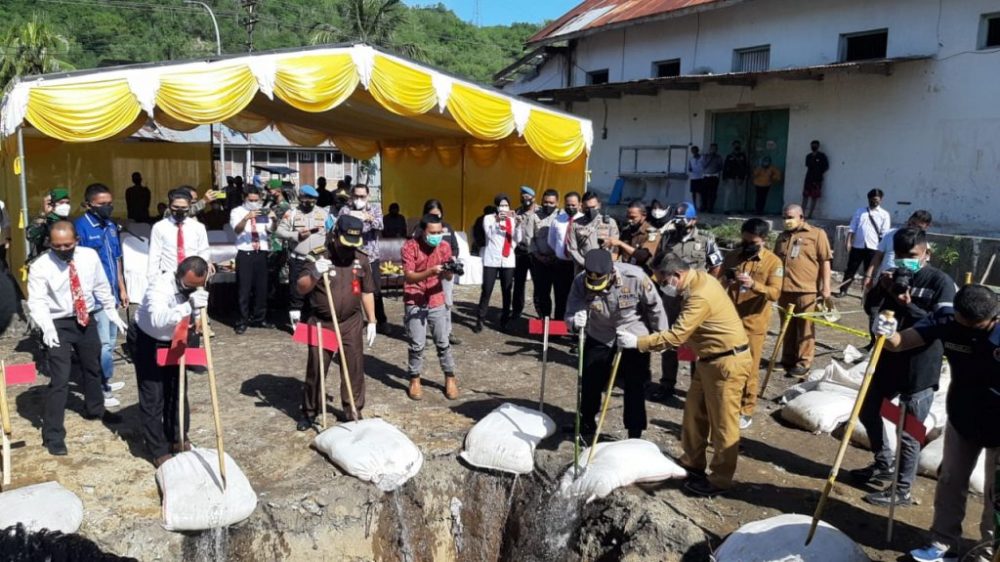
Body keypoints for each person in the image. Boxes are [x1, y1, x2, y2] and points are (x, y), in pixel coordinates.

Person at [875, 284, 999, 562]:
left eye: (980, 326)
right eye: (966, 324)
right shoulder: (946, 319)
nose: (972, 330)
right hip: (963, 415)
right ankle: (943, 544)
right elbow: (902, 342)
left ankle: (989, 550)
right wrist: (887, 331)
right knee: (950, 480)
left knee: (997, 493)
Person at [618, 255, 751, 496]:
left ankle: (720, 479)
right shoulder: (698, 280)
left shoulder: (699, 296)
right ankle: (692, 461)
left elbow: (677, 337)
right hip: (708, 361)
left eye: (662, 280)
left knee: (723, 424)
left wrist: (639, 342)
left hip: (726, 363)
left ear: (676, 275)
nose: (661, 286)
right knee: (694, 413)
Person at [851, 227, 957, 507]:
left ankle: (902, 489)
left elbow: (944, 323)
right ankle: (883, 462)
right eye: (898, 255)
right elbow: (870, 307)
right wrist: (880, 290)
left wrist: (907, 306)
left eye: (911, 255)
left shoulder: (940, 282)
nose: (903, 261)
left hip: (919, 365)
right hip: (885, 360)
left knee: (909, 430)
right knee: (868, 409)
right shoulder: (892, 277)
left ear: (926, 253)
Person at [27, 221, 127, 456]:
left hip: (85, 318)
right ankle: (53, 434)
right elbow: (37, 301)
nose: (62, 249)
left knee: (92, 367)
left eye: (67, 245)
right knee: (60, 379)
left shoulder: (89, 256)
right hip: (57, 323)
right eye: (57, 246)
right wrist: (47, 327)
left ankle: (95, 409)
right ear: (50, 244)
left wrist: (112, 313)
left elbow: (102, 287)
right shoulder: (41, 266)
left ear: (77, 241)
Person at [566, 250, 667, 439]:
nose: (598, 288)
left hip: (632, 335)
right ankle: (586, 421)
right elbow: (572, 308)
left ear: (611, 272)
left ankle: (634, 433)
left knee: (634, 386)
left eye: (601, 282)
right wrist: (574, 320)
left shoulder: (635, 277)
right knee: (590, 382)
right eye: (593, 284)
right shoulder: (581, 280)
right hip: (600, 334)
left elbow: (655, 307)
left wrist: (660, 338)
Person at [295, 215, 377, 430]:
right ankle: (310, 411)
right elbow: (301, 287)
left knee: (354, 367)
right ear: (335, 234)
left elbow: (367, 291)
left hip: (351, 322)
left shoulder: (361, 258)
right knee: (317, 368)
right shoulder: (317, 257)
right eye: (345, 242)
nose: (349, 249)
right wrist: (314, 274)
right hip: (322, 322)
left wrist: (372, 321)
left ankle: (353, 409)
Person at [132, 256, 209, 467]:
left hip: (176, 338)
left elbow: (196, 310)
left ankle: (178, 437)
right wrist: (188, 307)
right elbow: (158, 319)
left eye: (197, 287)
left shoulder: (196, 289)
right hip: (150, 340)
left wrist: (198, 317)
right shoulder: (159, 287)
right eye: (187, 286)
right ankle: (158, 448)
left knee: (177, 390)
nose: (191, 291)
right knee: (153, 394)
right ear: (178, 276)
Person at [651, 202, 723, 399]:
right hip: (671, 297)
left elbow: (716, 265)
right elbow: (658, 261)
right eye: (678, 221)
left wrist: (709, 286)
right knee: (669, 338)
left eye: (684, 220)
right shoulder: (667, 237)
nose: (681, 224)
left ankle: (695, 386)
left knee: (694, 341)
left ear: (694, 220)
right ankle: (667, 383)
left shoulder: (705, 240)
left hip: (694, 298)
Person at [718, 218, 783, 429]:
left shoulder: (773, 262)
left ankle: (746, 408)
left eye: (751, 241)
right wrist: (725, 281)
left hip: (754, 323)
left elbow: (775, 293)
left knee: (750, 367)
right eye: (744, 240)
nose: (746, 245)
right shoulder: (733, 256)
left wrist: (754, 284)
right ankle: (726, 400)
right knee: (726, 362)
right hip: (730, 320)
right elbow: (718, 285)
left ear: (763, 239)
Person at [74, 183, 128, 408]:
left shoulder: (111, 226)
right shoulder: (81, 228)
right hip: (94, 297)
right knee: (104, 343)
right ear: (89, 204)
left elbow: (116, 258)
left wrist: (122, 288)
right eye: (102, 204)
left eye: (110, 203)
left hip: (112, 293)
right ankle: (101, 387)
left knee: (111, 340)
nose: (107, 207)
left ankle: (106, 378)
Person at [401, 214, 458, 400]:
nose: (437, 235)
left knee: (443, 342)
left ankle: (450, 378)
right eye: (432, 232)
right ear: (422, 231)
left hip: (436, 298)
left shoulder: (444, 246)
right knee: (417, 344)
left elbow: (448, 277)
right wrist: (430, 272)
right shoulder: (410, 246)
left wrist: (449, 271)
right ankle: (415, 379)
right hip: (414, 298)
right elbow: (409, 276)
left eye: (439, 232)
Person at [774, 203, 833, 377]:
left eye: (790, 217)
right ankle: (788, 359)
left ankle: (803, 362)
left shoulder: (816, 234)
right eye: (785, 217)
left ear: (801, 217)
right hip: (784, 289)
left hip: (806, 290)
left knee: (806, 327)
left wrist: (826, 287)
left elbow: (825, 261)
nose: (787, 221)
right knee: (787, 326)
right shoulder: (782, 237)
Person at [277, 185, 329, 327]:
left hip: (317, 260)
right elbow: (280, 232)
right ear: (300, 198)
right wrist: (296, 235)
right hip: (298, 259)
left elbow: (332, 231)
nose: (310, 203)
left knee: (318, 291)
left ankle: (316, 320)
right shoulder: (292, 213)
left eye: (313, 200)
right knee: (296, 292)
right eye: (306, 200)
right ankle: (296, 323)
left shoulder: (323, 213)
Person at [338, 184, 387, 332]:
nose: (359, 199)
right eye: (356, 196)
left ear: (368, 196)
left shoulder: (375, 209)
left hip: (370, 256)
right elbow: (337, 227)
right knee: (350, 290)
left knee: (375, 290)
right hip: (350, 256)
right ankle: (352, 321)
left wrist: (369, 218)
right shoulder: (345, 209)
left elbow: (381, 225)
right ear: (351, 196)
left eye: (362, 196)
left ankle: (381, 320)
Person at [231, 187, 275, 334]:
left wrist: (273, 218)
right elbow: (236, 230)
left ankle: (259, 318)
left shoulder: (262, 211)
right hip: (245, 252)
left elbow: (271, 229)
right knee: (244, 288)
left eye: (256, 200)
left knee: (262, 288)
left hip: (261, 252)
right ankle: (242, 320)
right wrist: (246, 218)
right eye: (251, 200)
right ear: (245, 198)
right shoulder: (237, 211)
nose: (254, 203)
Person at [417, 199, 462, 346]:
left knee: (447, 301)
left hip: (445, 271)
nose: (435, 218)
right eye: (432, 215)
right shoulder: (419, 229)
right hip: (427, 271)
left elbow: (455, 246)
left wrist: (452, 258)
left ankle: (447, 332)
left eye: (438, 214)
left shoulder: (447, 227)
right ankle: (422, 333)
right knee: (425, 301)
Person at [476, 194, 522, 333]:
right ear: (496, 206)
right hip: (492, 258)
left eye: (506, 205)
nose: (503, 208)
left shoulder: (512, 219)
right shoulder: (489, 218)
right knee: (487, 289)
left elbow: (518, 239)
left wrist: (518, 224)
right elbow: (488, 235)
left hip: (507, 259)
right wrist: (497, 221)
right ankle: (480, 318)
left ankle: (505, 321)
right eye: (501, 205)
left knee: (507, 290)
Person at [147, 188, 210, 280]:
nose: (180, 210)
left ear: (189, 206)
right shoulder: (159, 227)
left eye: (184, 208)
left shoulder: (198, 227)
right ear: (169, 206)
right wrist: (152, 279)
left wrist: (199, 272)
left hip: (193, 276)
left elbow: (204, 251)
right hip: (167, 276)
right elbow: (154, 255)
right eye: (176, 207)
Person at [863, 210, 933, 291]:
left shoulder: (924, 246)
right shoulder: (890, 234)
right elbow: (878, 256)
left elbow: (922, 268)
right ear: (909, 219)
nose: (912, 228)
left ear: (927, 227)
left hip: (906, 286)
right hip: (884, 281)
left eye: (918, 227)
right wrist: (868, 276)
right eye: (912, 223)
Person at [840, 188, 891, 297]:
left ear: (881, 200)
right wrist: (848, 241)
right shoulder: (860, 211)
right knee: (850, 269)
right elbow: (853, 227)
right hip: (858, 246)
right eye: (872, 199)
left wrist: (882, 250)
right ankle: (843, 290)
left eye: (877, 200)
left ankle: (866, 294)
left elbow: (884, 233)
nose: (874, 202)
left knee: (869, 272)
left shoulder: (884, 214)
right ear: (868, 199)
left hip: (873, 248)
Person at [524, 189, 562, 320]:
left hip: (558, 261)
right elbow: (529, 239)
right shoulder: (534, 216)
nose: (548, 205)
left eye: (551, 203)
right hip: (540, 261)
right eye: (545, 202)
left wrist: (556, 256)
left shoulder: (561, 217)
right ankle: (545, 320)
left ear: (557, 202)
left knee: (560, 294)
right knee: (542, 293)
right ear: (541, 201)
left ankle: (559, 323)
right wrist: (538, 256)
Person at [548, 192, 583, 329]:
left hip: (578, 265)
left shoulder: (584, 220)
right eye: (568, 204)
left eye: (573, 205)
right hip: (561, 263)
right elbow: (551, 241)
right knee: (560, 297)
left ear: (580, 205)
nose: (570, 207)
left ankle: (575, 332)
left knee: (577, 298)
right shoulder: (557, 220)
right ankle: (558, 329)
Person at [567, 191, 619, 269]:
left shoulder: (610, 223)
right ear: (582, 207)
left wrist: (606, 263)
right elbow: (572, 249)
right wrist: (585, 263)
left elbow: (615, 246)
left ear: (599, 205)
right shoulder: (575, 224)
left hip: (604, 268)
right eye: (587, 208)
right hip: (583, 267)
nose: (590, 211)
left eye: (593, 207)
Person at [511, 186, 537, 323]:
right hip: (520, 252)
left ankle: (540, 312)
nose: (525, 199)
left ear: (534, 198)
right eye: (523, 196)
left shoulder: (539, 212)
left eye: (528, 197)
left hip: (534, 252)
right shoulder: (516, 211)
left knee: (538, 284)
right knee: (519, 284)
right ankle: (516, 310)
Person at [27, 187, 72, 258]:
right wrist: (44, 214)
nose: (65, 205)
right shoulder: (46, 220)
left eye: (67, 202)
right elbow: (31, 236)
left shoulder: (69, 221)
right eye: (61, 202)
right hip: (46, 262)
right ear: (51, 204)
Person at [803, 140, 829, 219]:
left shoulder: (822, 156)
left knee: (814, 197)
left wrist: (819, 173)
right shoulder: (808, 156)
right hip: (808, 179)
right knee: (805, 196)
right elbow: (808, 165)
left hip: (817, 179)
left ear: (818, 146)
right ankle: (802, 214)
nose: (813, 147)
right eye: (812, 145)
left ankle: (810, 215)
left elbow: (826, 167)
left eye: (815, 145)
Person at [722, 140, 750, 212]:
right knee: (728, 194)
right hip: (730, 177)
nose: (737, 146)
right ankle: (726, 209)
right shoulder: (729, 156)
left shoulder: (743, 156)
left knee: (740, 194)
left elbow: (745, 167)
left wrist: (744, 177)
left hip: (740, 178)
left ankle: (739, 209)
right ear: (733, 146)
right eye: (735, 145)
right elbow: (725, 167)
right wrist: (724, 177)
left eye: (738, 145)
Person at [700, 143, 724, 213]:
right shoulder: (705, 156)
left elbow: (721, 167)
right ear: (710, 149)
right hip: (706, 176)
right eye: (712, 148)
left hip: (714, 177)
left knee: (713, 194)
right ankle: (704, 207)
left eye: (715, 149)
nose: (714, 150)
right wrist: (710, 158)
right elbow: (703, 165)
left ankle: (710, 208)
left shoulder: (718, 157)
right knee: (704, 193)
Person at [688, 146, 705, 210]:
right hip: (693, 177)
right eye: (692, 150)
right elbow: (689, 168)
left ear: (698, 150)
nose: (694, 152)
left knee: (701, 193)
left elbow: (704, 166)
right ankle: (694, 206)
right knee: (693, 193)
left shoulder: (702, 158)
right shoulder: (691, 159)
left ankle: (701, 206)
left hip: (701, 177)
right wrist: (690, 169)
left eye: (695, 150)